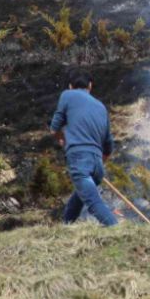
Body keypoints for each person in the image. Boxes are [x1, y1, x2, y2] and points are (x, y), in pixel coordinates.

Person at [50, 68, 118, 226]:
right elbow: (108, 144)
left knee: (94, 203)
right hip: (97, 163)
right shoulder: (101, 107)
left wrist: (61, 139)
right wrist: (99, 161)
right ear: (90, 86)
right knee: (80, 195)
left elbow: (54, 127)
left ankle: (116, 229)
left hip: (79, 157)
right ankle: (66, 226)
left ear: (70, 86)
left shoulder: (67, 95)